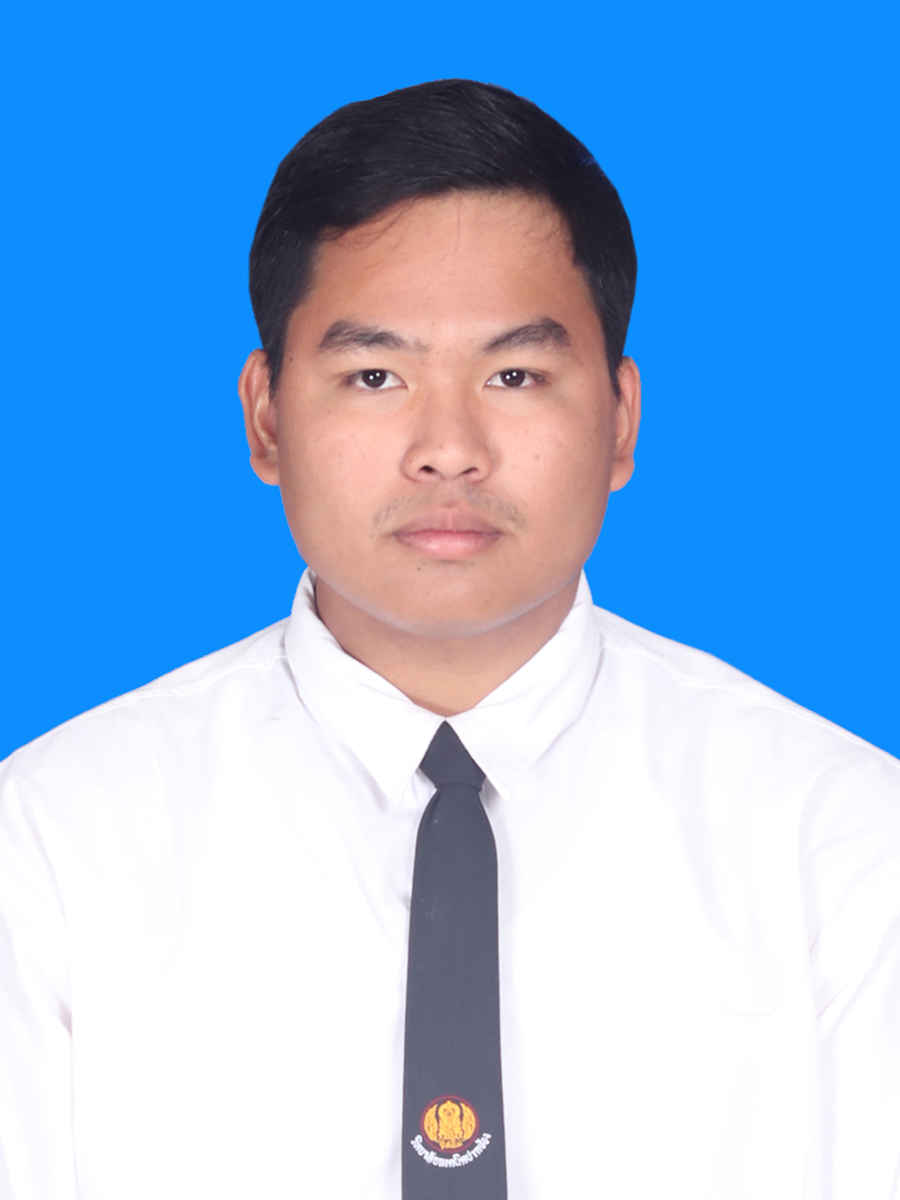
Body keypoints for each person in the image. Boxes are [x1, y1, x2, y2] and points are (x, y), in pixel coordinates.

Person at [1, 78, 898, 1200]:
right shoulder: (53, 843)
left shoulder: (843, 839)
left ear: (621, 418)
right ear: (266, 417)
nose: (448, 448)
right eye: (374, 375)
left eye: (514, 375)